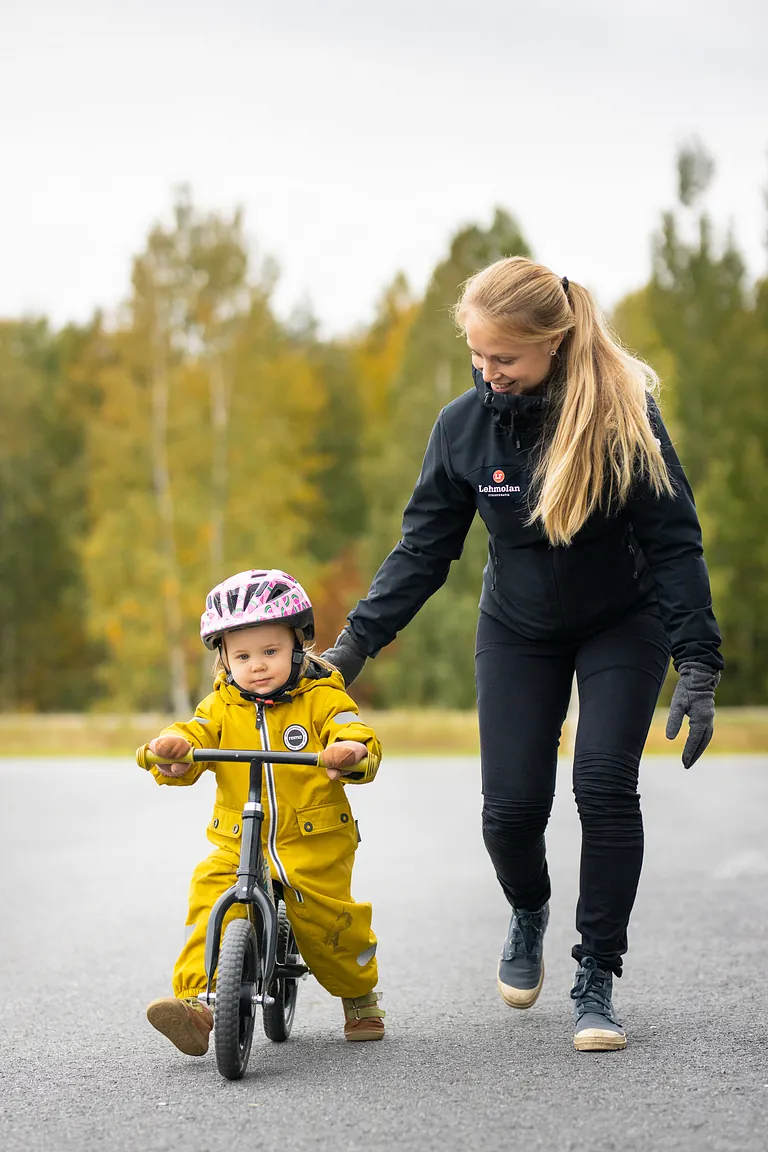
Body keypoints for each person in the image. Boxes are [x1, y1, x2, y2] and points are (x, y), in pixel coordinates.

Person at [322, 257, 722, 1053]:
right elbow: (423, 550)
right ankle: (529, 906)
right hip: (517, 628)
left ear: (555, 342)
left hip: (622, 621)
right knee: (509, 813)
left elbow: (673, 543)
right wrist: (352, 646)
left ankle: (597, 972)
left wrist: (699, 662)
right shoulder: (462, 428)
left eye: (504, 358)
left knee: (604, 785)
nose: (489, 373)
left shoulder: (621, 415)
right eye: (478, 358)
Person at [138, 569, 385, 1057]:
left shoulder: (322, 697)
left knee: (330, 923)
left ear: (298, 646)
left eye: (270, 652)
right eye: (243, 655)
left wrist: (349, 751)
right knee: (208, 898)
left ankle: (359, 995)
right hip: (237, 840)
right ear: (224, 658)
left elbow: (352, 729)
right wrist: (174, 748)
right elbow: (195, 735)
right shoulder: (220, 706)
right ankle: (198, 1004)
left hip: (311, 839)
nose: (256, 666)